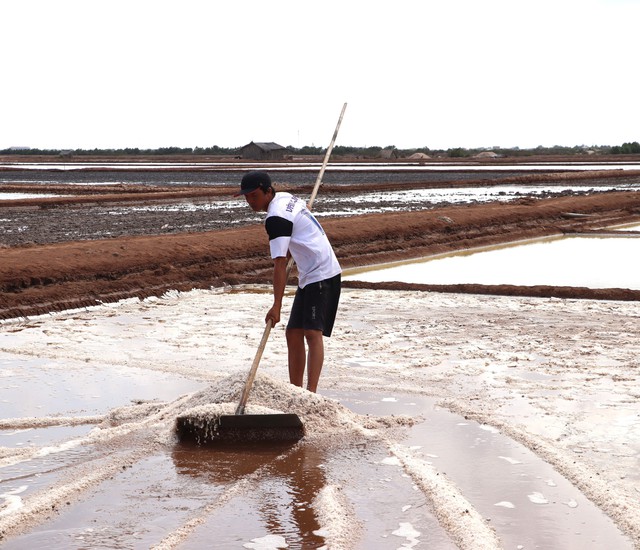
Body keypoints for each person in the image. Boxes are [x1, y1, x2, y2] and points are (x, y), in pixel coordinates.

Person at [236, 170, 341, 393]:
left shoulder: (276, 219)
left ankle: (310, 394)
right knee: (293, 333)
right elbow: (300, 218)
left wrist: (276, 306)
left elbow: (280, 263)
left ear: (267, 191)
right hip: (309, 274)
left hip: (322, 272)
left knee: (312, 333)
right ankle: (296, 391)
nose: (249, 201)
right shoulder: (285, 198)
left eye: (253, 196)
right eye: (246, 197)